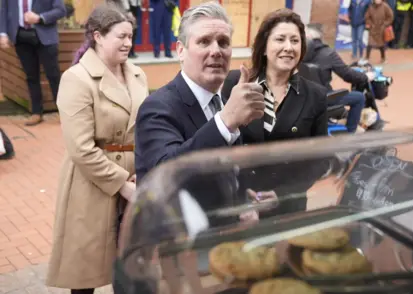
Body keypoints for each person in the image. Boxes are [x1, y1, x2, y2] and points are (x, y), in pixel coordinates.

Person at [45, 4, 149, 294]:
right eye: (121, 36)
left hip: (135, 176)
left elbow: (146, 127)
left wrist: (144, 170)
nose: (129, 43)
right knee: (85, 273)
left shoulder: (137, 74)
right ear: (97, 36)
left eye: (131, 36)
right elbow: (80, 148)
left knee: (129, 266)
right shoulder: (76, 79)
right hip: (91, 184)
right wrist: (122, 185)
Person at [135, 2, 268, 224]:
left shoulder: (223, 101)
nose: (216, 51)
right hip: (178, 244)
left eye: (223, 42)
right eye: (204, 41)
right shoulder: (157, 107)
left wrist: (241, 197)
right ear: (180, 50)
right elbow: (168, 174)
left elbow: (226, 167)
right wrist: (226, 121)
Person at [220, 9, 333, 216]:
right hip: (240, 204)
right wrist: (238, 189)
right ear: (264, 47)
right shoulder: (236, 83)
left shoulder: (315, 95)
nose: (288, 48)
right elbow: (220, 143)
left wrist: (283, 193)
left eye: (295, 41)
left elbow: (321, 158)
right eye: (280, 39)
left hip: (288, 206)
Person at [0, 0, 66, 126]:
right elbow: (3, 11)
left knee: (54, 76)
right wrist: (2, 33)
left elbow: (60, 10)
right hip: (21, 37)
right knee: (31, 76)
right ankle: (36, 112)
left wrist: (39, 18)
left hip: (46, 37)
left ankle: (64, 113)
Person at [302, 23, 375, 133]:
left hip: (303, 99)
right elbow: (347, 75)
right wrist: (365, 77)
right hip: (324, 98)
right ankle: (350, 133)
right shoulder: (328, 53)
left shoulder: (298, 53)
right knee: (359, 97)